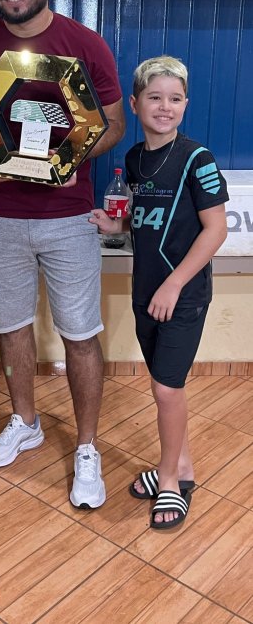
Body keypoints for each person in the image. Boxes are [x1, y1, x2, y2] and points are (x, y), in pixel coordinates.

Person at [0, 0, 125, 509]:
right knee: (11, 326)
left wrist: (75, 158)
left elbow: (115, 125)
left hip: (69, 218)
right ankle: (25, 422)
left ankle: (88, 447)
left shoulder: (85, 44)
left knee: (80, 334)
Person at [90, 56, 228, 529]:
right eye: (154, 97)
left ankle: (170, 480)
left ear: (185, 105)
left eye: (174, 98)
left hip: (181, 295)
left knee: (166, 388)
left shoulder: (196, 158)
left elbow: (215, 230)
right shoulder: (134, 159)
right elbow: (142, 220)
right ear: (135, 104)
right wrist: (116, 226)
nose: (164, 107)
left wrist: (174, 283)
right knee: (167, 390)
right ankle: (181, 466)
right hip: (145, 291)